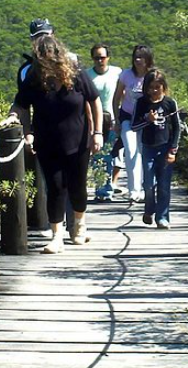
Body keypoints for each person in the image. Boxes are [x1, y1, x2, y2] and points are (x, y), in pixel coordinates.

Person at [8, 35, 103, 253]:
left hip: (78, 140)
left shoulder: (76, 74)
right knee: (56, 187)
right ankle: (57, 236)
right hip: (47, 141)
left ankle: (79, 225)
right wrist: (23, 127)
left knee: (77, 186)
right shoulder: (33, 78)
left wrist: (97, 132)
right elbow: (21, 105)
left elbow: (94, 100)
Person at [131, 68, 181, 229]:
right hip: (148, 148)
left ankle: (162, 217)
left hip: (165, 147)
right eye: (150, 87)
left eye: (157, 87)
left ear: (163, 87)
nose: (153, 91)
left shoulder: (169, 103)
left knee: (164, 184)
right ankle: (149, 208)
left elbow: (177, 128)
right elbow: (134, 126)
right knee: (148, 184)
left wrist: (173, 150)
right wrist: (147, 119)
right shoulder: (141, 103)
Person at [112, 45, 154, 202]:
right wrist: (117, 120)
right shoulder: (126, 75)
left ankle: (145, 188)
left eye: (141, 57)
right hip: (128, 117)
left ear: (147, 59)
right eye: (135, 56)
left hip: (146, 119)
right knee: (130, 151)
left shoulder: (152, 75)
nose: (137, 60)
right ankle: (133, 190)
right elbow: (116, 97)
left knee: (143, 152)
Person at [86, 44, 123, 200]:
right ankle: (101, 188)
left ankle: (105, 189)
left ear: (108, 57)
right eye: (96, 57)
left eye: (102, 57)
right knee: (97, 155)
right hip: (94, 120)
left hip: (112, 118)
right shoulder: (87, 75)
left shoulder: (117, 73)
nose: (99, 60)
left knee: (108, 154)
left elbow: (123, 94)